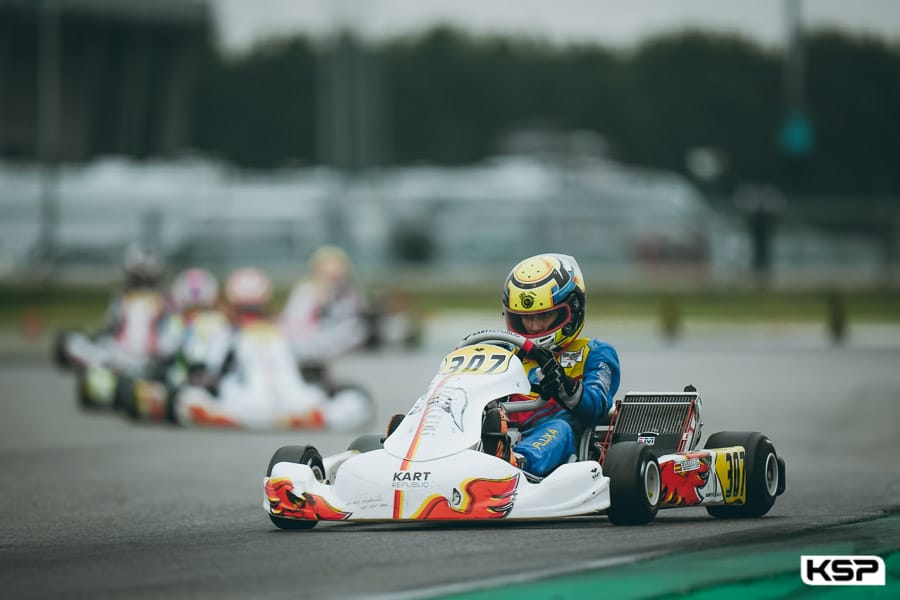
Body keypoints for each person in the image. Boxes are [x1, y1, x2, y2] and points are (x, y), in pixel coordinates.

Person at [483, 253, 621, 477]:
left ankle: (516, 464)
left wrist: (565, 387)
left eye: (544, 316)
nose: (535, 326)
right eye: (526, 318)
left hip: (561, 444)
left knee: (559, 429)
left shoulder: (594, 352)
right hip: (502, 433)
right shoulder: (504, 353)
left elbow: (598, 406)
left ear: (571, 310)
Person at [280, 245, 369, 364]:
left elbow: (354, 319)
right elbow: (294, 319)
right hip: (308, 339)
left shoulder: (348, 292)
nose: (334, 271)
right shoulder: (306, 290)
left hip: (336, 338)